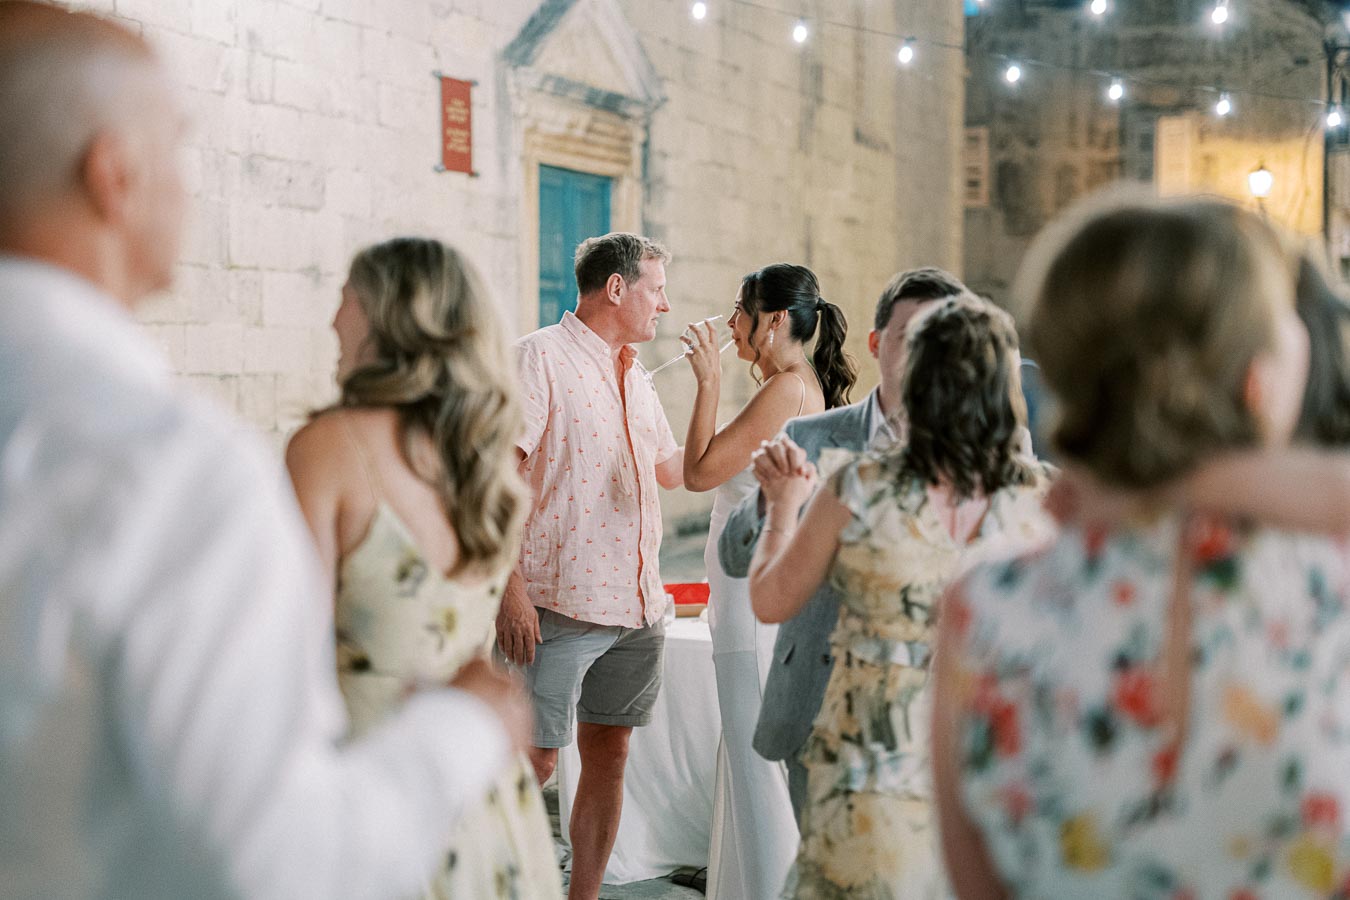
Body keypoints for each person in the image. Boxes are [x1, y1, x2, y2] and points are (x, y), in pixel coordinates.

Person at [0, 5, 527, 900]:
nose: (189, 186)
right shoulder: (171, 469)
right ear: (113, 176)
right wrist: (467, 726)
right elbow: (283, 864)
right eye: (179, 146)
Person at [931, 197, 1350, 899]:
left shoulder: (986, 607)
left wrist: (1154, 483)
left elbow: (977, 884)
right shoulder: (1333, 586)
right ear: (1257, 380)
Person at [285, 238, 563, 899]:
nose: (333, 321)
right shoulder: (483, 455)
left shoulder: (329, 448)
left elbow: (289, 655)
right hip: (481, 782)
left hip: (374, 777)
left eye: (346, 299)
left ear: (391, 316)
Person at [750, 296, 1053, 899]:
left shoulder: (859, 488)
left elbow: (770, 600)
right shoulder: (1044, 500)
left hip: (872, 765)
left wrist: (782, 505)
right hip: (992, 758)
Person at [718, 267, 973, 823]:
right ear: (878, 344)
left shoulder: (984, 459)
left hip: (934, 719)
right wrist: (771, 501)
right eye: (913, 337)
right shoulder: (812, 435)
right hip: (820, 708)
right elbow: (734, 555)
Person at [496, 232, 684, 900]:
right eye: (656, 289)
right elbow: (496, 477)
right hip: (557, 604)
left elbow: (676, 471)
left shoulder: (636, 373)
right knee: (531, 761)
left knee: (611, 752)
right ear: (616, 288)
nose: (664, 304)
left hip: (637, 605)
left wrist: (722, 390)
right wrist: (509, 589)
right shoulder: (538, 358)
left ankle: (584, 897)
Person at [681, 263, 855, 900]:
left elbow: (702, 473)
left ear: (775, 320)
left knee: (759, 771)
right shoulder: (795, 386)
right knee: (754, 766)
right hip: (749, 601)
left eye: (740, 309)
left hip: (752, 606)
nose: (729, 323)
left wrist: (707, 381)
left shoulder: (785, 388)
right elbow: (700, 466)